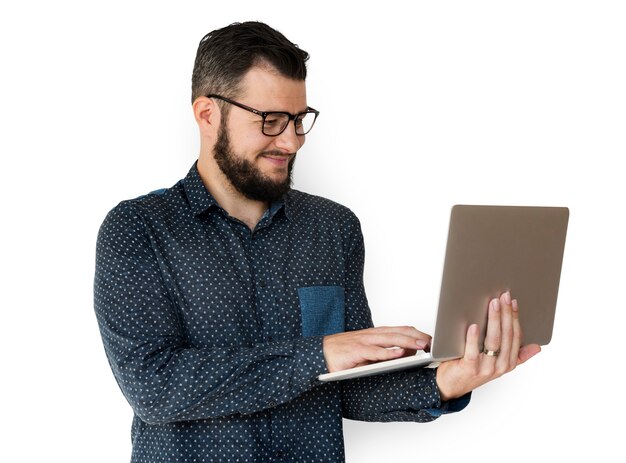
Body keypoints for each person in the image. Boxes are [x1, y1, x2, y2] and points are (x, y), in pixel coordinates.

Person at [94, 21, 541, 462]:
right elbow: (154, 388)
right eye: (270, 120)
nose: (290, 141)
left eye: (298, 119)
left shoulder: (333, 229)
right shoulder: (137, 230)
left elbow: (347, 389)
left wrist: (449, 379)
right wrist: (319, 353)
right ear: (208, 114)